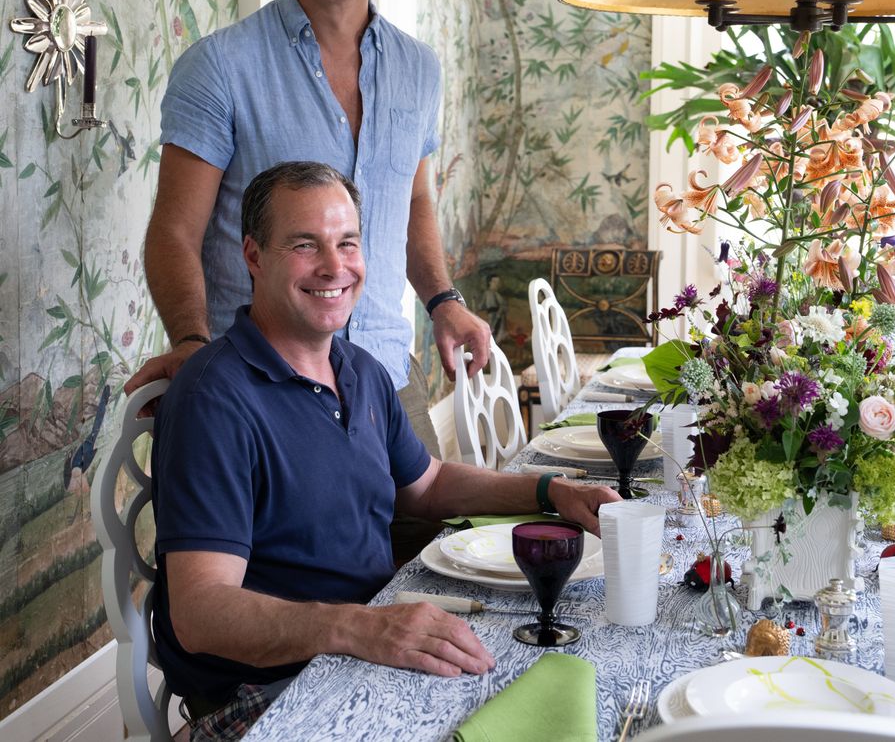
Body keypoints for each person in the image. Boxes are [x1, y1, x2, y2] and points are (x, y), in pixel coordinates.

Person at [151, 162, 620, 741]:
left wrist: (552, 491)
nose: (334, 267)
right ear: (253, 256)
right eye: (305, 245)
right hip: (267, 695)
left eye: (347, 243)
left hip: (369, 642)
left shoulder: (361, 371)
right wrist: (358, 629)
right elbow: (200, 614)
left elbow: (428, 486)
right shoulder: (214, 398)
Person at [125, 0, 489, 425]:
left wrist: (444, 302)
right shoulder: (220, 66)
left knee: (434, 520)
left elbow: (413, 201)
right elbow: (173, 229)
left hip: (388, 380)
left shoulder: (419, 69)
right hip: (259, 388)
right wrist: (191, 344)